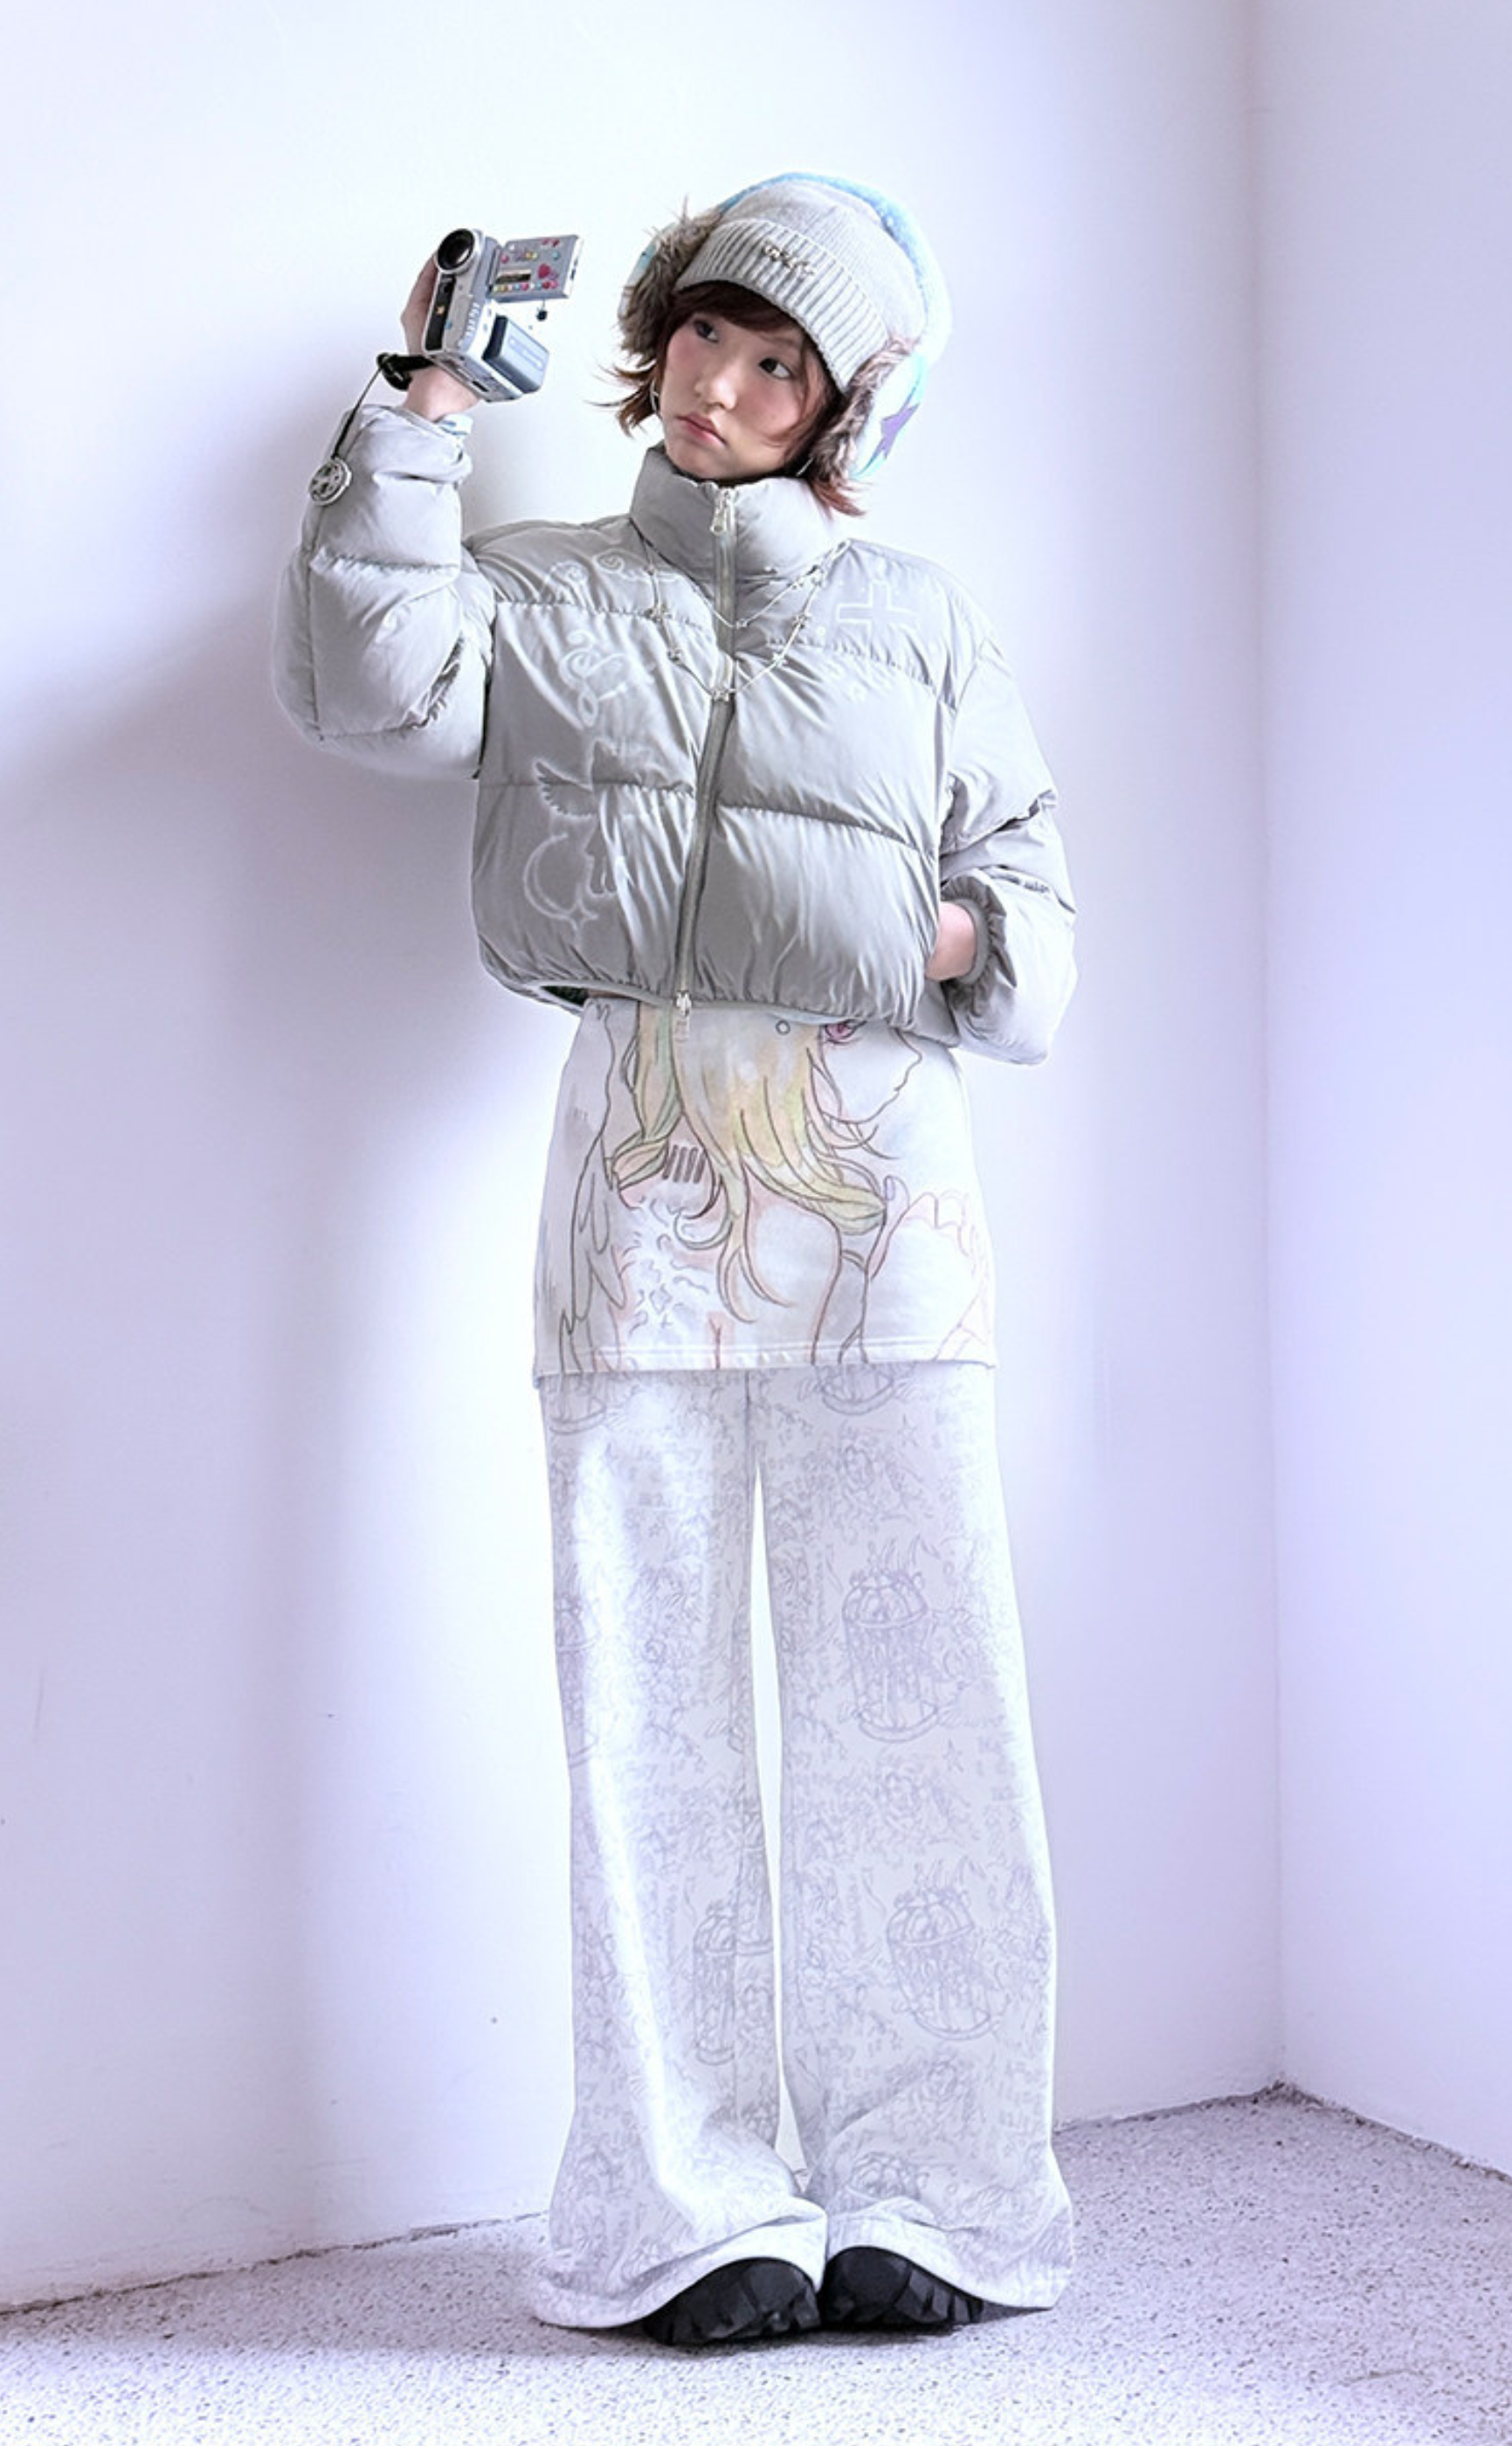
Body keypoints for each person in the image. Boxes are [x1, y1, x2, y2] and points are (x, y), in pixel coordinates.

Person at [273, 173, 1076, 2349]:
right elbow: (364, 683)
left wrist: (917, 932)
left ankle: (942, 2183)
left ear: (844, 409)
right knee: (648, 1706)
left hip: (883, 1206)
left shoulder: (922, 619)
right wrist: (427, 401)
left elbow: (1037, 929)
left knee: (920, 1701)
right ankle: (687, 2203)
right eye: (707, 335)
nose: (722, 385)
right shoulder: (548, 589)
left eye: (779, 361)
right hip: (638, 1183)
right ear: (654, 341)